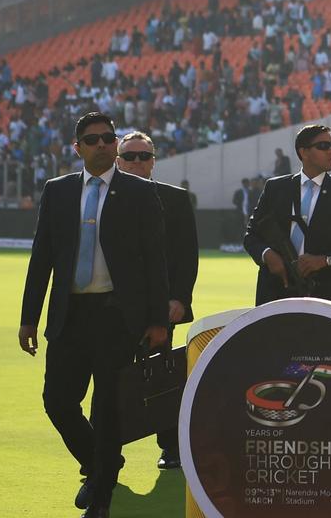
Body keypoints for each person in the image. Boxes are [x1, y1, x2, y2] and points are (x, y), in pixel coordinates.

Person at [18, 112, 170, 518]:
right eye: (93, 139)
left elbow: (156, 260)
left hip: (117, 317)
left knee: (107, 409)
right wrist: (28, 317)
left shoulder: (138, 192)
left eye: (108, 138)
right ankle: (102, 465)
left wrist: (158, 320)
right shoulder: (58, 191)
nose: (102, 144)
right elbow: (42, 258)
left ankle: (100, 499)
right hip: (69, 316)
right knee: (58, 401)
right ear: (78, 148)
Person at [114, 131, 199, 471]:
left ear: (154, 160)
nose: (137, 162)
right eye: (130, 156)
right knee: (111, 377)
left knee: (163, 378)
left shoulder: (175, 199)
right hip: (111, 305)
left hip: (161, 307)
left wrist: (180, 298)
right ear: (118, 161)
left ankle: (171, 447)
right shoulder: (105, 197)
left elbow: (186, 255)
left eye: (143, 156)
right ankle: (108, 448)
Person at [244, 124, 331, 306]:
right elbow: (251, 236)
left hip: (329, 298)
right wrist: (267, 255)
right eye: (323, 146)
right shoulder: (275, 188)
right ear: (303, 152)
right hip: (276, 294)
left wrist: (325, 261)